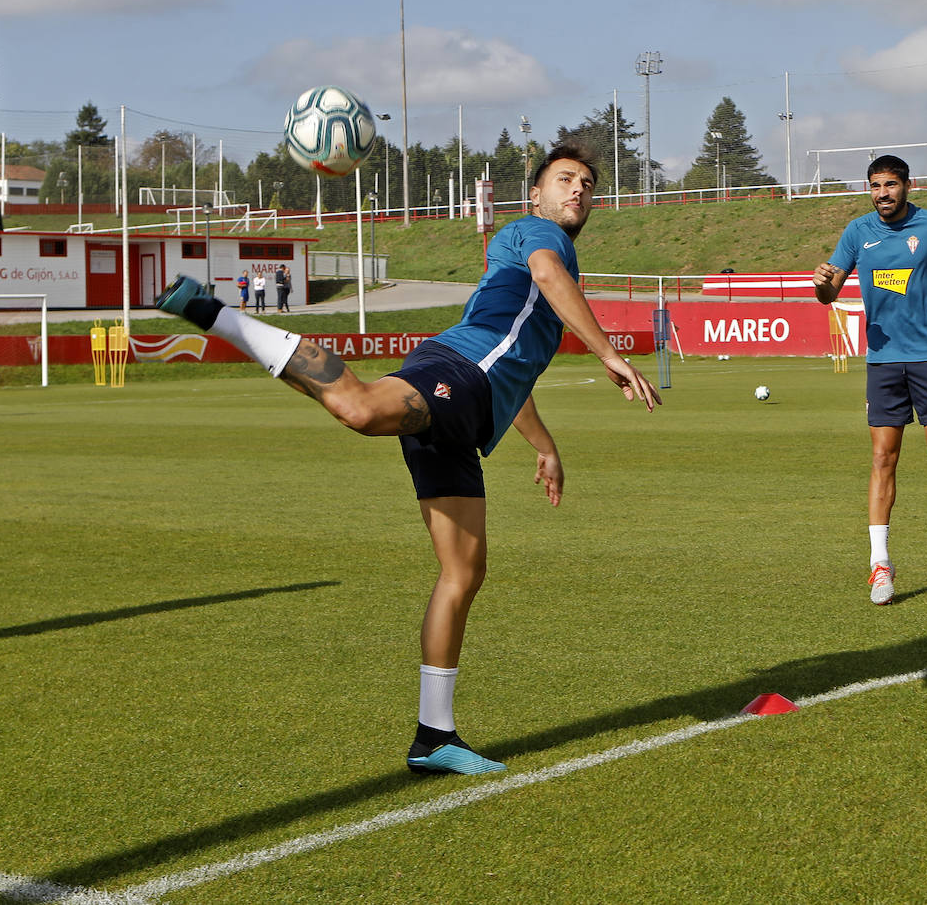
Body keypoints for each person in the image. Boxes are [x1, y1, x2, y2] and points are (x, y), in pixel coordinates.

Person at [156, 143, 662, 775]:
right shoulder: (539, 236)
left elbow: (512, 378)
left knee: (463, 570)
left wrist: (546, 446)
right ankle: (218, 314)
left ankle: (434, 735)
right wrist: (609, 352)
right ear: (535, 194)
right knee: (362, 410)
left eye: (588, 184)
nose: (579, 191)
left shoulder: (550, 271)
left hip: (473, 404)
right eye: (566, 180)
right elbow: (547, 280)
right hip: (454, 372)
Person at [811, 155, 927, 606]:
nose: (883, 194)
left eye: (890, 185)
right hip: (884, 363)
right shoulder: (857, 233)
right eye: (875, 186)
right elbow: (829, 293)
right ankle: (880, 565)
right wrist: (821, 284)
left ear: (907, 185)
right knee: (882, 460)